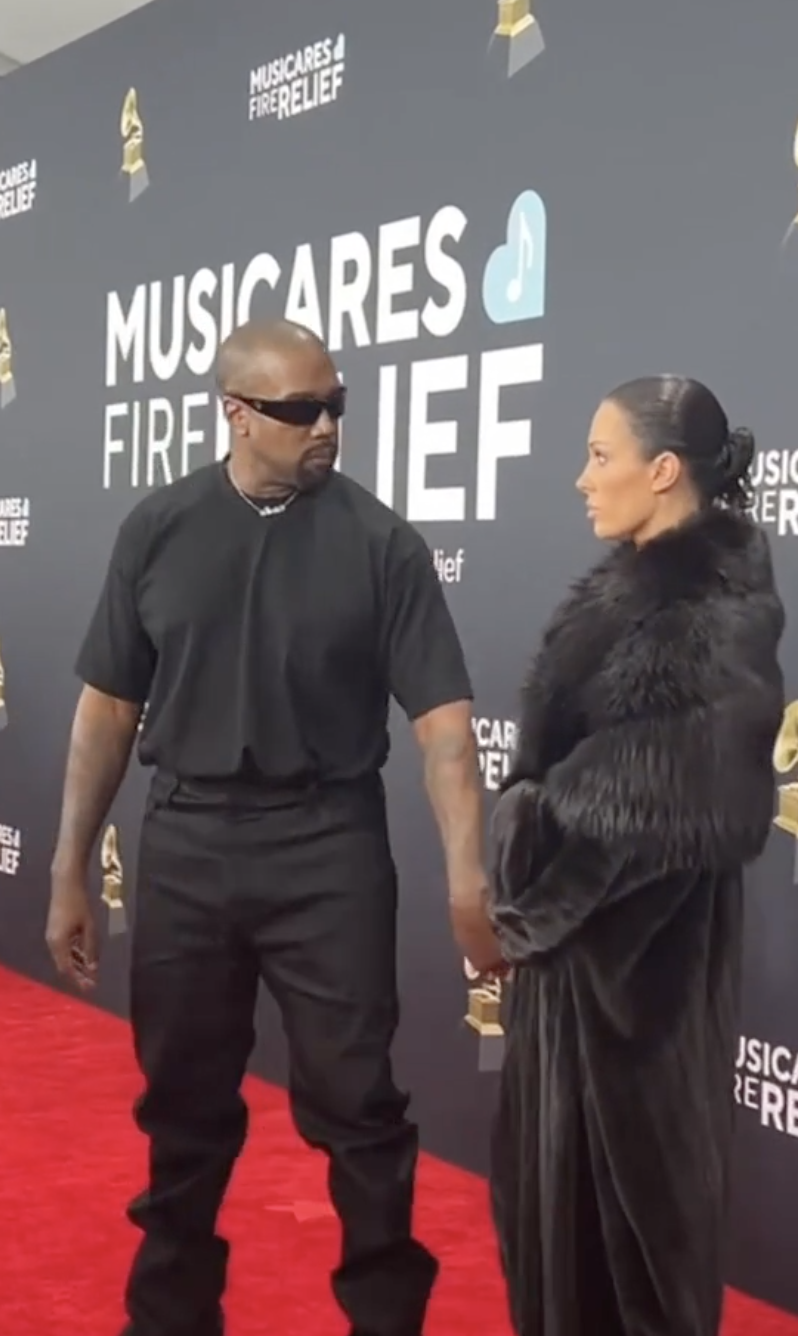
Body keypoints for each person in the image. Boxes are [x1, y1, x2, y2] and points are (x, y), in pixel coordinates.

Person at [45, 318, 502, 1336]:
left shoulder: (384, 545)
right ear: (238, 414)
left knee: (359, 1107)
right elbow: (108, 708)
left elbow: (445, 728)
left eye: (336, 405)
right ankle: (170, 1317)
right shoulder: (158, 529)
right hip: (187, 844)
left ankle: (386, 1319)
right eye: (301, 410)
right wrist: (70, 864)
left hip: (328, 849)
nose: (326, 425)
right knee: (182, 1105)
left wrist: (468, 874)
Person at [488, 376, 785, 1336]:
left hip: (640, 999)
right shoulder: (628, 599)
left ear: (662, 472)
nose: (582, 478)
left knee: (634, 1250)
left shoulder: (718, 617)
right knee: (557, 1243)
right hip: (573, 988)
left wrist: (528, 860)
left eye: (600, 456)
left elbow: (636, 816)